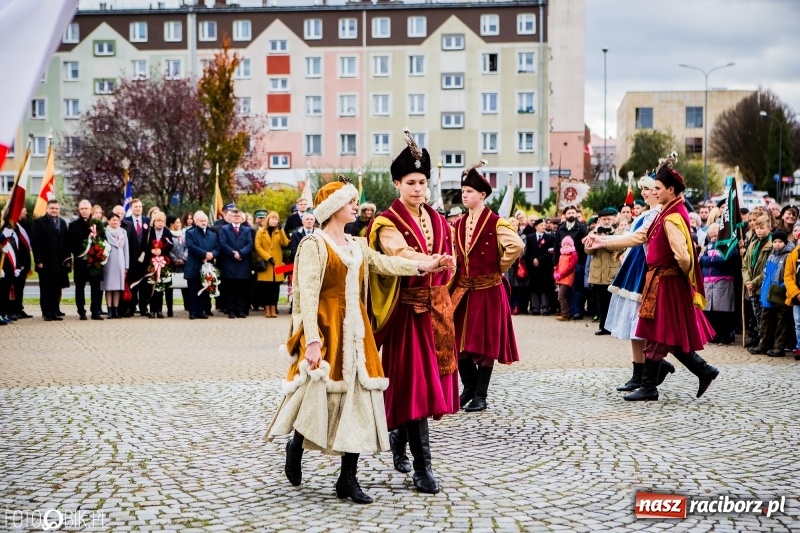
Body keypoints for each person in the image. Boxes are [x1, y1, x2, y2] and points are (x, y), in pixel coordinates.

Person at [265, 177, 452, 504]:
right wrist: (311, 339)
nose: (357, 206)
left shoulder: (357, 243)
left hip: (357, 330)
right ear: (335, 208)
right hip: (327, 327)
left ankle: (347, 479)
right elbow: (306, 295)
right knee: (317, 394)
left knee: (358, 400)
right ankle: (296, 444)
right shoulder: (314, 244)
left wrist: (426, 264)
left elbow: (386, 263)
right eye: (350, 202)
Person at [365, 130, 459, 494]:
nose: (417, 188)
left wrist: (444, 270)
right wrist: (429, 262)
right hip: (406, 315)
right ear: (397, 183)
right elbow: (397, 254)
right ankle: (424, 469)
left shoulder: (437, 219)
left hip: (437, 312)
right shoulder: (387, 222)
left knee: (421, 388)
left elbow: (450, 262)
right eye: (410, 182)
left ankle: (398, 438)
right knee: (413, 387)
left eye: (422, 181)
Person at [587, 154, 719, 401]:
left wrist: (677, 277)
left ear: (671, 189)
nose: (654, 192)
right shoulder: (664, 213)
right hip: (661, 280)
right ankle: (703, 370)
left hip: (666, 282)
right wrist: (603, 240)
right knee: (662, 331)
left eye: (658, 188)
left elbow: (683, 256)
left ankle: (650, 387)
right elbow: (639, 237)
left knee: (657, 331)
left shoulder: (671, 217)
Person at [451, 159, 524, 413]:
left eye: (469, 192)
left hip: (489, 290)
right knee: (458, 342)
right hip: (463, 290)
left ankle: (480, 395)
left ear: (482, 194)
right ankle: (469, 388)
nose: (465, 195)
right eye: (463, 192)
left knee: (485, 343)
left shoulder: (497, 222)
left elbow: (516, 246)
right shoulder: (457, 224)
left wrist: (500, 267)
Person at [600, 175, 676, 392]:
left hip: (645, 270)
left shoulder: (659, 215)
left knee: (640, 325)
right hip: (632, 270)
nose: (644, 193)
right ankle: (639, 373)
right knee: (632, 326)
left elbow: (641, 241)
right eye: (642, 189)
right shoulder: (645, 214)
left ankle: (654, 369)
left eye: (648, 188)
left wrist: (606, 242)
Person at [749, 229, 794, 356]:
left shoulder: (788, 256)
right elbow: (764, 273)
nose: (777, 244)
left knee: (782, 321)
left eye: (780, 241)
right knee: (766, 320)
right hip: (768, 293)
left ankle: (779, 347)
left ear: (785, 242)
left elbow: (790, 274)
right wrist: (756, 283)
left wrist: (782, 286)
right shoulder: (772, 255)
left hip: (780, 293)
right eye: (775, 241)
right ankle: (763, 345)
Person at [31, 199, 71, 321]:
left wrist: (68, 259)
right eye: (52, 208)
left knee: (56, 288)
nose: (54, 210)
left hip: (59, 262)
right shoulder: (39, 223)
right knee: (46, 288)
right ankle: (47, 312)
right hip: (45, 262)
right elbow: (35, 244)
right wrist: (38, 261)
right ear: (47, 209)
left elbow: (66, 243)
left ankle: (55, 310)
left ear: (59, 209)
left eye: (56, 208)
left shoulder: (63, 223)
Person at [699, 224, 737, 345]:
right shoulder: (708, 246)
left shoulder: (727, 244)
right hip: (708, 281)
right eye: (712, 236)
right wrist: (712, 261)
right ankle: (716, 334)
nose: (714, 238)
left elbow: (725, 260)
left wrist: (710, 261)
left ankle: (727, 335)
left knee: (723, 310)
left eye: (716, 235)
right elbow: (702, 260)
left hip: (722, 280)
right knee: (711, 310)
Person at [586, 207, 620, 335]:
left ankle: (613, 327)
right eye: (604, 219)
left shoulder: (618, 233)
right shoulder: (593, 234)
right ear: (599, 220)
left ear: (613, 220)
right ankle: (603, 326)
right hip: (598, 273)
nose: (606, 221)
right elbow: (588, 251)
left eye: (608, 219)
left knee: (613, 301)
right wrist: (595, 237)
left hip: (612, 272)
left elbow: (620, 248)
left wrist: (605, 241)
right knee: (601, 302)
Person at [69, 199, 105, 320]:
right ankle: (81, 311)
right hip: (81, 261)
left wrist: (98, 252)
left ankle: (95, 311)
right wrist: (83, 252)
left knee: (95, 287)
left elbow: (103, 241)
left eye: (86, 209)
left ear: (91, 210)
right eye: (82, 209)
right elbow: (71, 244)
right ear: (79, 210)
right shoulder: (73, 225)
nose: (84, 211)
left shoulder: (97, 224)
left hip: (95, 261)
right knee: (80, 287)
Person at [742, 215, 773, 350]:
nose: (759, 231)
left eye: (762, 228)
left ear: (769, 228)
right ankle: (762, 341)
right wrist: (748, 281)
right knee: (757, 317)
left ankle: (765, 343)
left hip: (763, 287)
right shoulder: (753, 244)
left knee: (765, 318)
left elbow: (768, 268)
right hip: (752, 288)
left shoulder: (771, 245)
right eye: (757, 228)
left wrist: (755, 282)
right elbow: (745, 265)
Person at [553, 205, 589, 320]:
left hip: (577, 263)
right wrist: (555, 263)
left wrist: (582, 263)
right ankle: (566, 312)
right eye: (569, 213)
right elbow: (556, 245)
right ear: (565, 215)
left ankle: (577, 311)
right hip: (563, 263)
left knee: (576, 288)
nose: (571, 215)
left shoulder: (582, 227)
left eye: (573, 213)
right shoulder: (561, 228)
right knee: (565, 289)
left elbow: (585, 246)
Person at [218, 208, 254, 318]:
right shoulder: (224, 229)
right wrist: (233, 253)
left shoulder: (247, 230)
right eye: (234, 216)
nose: (236, 218)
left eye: (238, 216)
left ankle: (241, 310)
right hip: (229, 262)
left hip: (243, 262)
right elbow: (222, 243)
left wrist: (241, 253)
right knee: (230, 288)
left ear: (242, 218)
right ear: (231, 218)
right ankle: (231, 310)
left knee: (241, 288)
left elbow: (250, 244)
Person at [184, 211, 220, 320]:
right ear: (196, 222)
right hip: (194, 266)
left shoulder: (213, 234)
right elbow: (191, 246)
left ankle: (201, 311)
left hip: (207, 267)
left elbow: (218, 248)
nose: (203, 222)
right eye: (201, 221)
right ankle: (192, 312)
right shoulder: (190, 233)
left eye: (205, 221)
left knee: (204, 289)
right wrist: (204, 254)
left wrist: (212, 254)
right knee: (193, 290)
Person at [254, 211, 290, 318]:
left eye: (276, 219)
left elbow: (285, 243)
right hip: (266, 263)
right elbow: (258, 246)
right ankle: (267, 309)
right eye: (272, 219)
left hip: (277, 264)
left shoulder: (279, 231)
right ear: (268, 220)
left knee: (275, 288)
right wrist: (267, 257)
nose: (274, 221)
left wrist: (281, 230)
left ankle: (274, 309)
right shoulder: (261, 232)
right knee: (266, 288)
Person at [140, 211, 173, 319]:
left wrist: (161, 250)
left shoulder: (167, 232)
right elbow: (143, 245)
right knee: (150, 286)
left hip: (163, 262)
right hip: (150, 261)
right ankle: (152, 310)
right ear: (154, 222)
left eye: (162, 221)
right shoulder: (148, 231)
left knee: (160, 286)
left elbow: (170, 245)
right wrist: (152, 251)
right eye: (158, 221)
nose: (160, 223)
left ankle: (159, 310)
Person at [122, 199, 151, 316]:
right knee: (132, 283)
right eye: (135, 207)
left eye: (140, 206)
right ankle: (131, 306)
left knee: (144, 284)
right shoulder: (126, 221)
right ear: (131, 208)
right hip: (131, 257)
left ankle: (143, 307)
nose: (138, 209)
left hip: (144, 258)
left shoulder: (148, 221)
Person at [525, 218, 555, 315]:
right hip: (533, 267)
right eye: (541, 225)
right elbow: (527, 252)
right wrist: (533, 259)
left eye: (544, 225)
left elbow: (550, 251)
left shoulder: (550, 238)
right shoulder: (529, 237)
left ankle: (545, 307)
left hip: (545, 266)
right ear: (536, 227)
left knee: (545, 287)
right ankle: (535, 308)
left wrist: (540, 259)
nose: (543, 227)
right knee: (533, 287)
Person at [101, 212, 129, 319]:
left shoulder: (123, 232)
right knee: (109, 287)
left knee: (118, 288)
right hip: (108, 262)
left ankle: (116, 310)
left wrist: (126, 266)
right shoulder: (104, 232)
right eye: (113, 220)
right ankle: (109, 310)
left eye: (117, 220)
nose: (115, 222)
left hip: (120, 261)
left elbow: (126, 249)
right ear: (108, 221)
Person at [167, 215, 188, 317]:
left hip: (183, 263)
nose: (179, 224)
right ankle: (169, 309)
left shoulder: (183, 234)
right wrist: (174, 259)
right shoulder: (167, 234)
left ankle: (187, 306)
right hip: (171, 264)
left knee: (184, 285)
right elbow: (167, 249)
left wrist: (183, 258)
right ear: (171, 224)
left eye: (180, 222)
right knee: (169, 287)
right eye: (177, 222)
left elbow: (187, 247)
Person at [554, 236, 578, 321]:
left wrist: (561, 274)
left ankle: (565, 314)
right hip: (561, 278)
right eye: (564, 244)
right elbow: (558, 265)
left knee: (561, 296)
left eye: (568, 244)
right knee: (563, 296)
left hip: (567, 278)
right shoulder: (562, 254)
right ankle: (565, 312)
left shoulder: (573, 254)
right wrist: (556, 272)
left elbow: (570, 267)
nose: (566, 246)